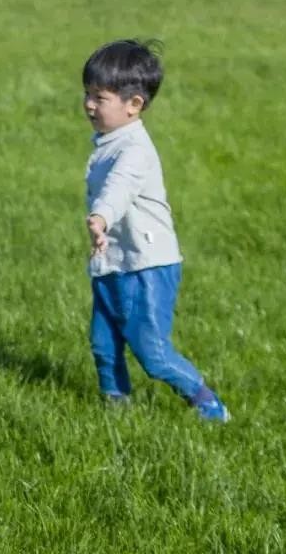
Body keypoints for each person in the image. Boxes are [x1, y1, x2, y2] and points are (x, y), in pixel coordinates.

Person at [82, 39, 230, 422]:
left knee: (153, 352)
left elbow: (120, 186)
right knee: (104, 344)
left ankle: (206, 403)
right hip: (113, 261)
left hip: (147, 264)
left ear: (134, 105)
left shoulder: (135, 150)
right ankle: (116, 407)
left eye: (100, 97)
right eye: (87, 95)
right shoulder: (109, 140)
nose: (89, 105)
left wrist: (100, 217)